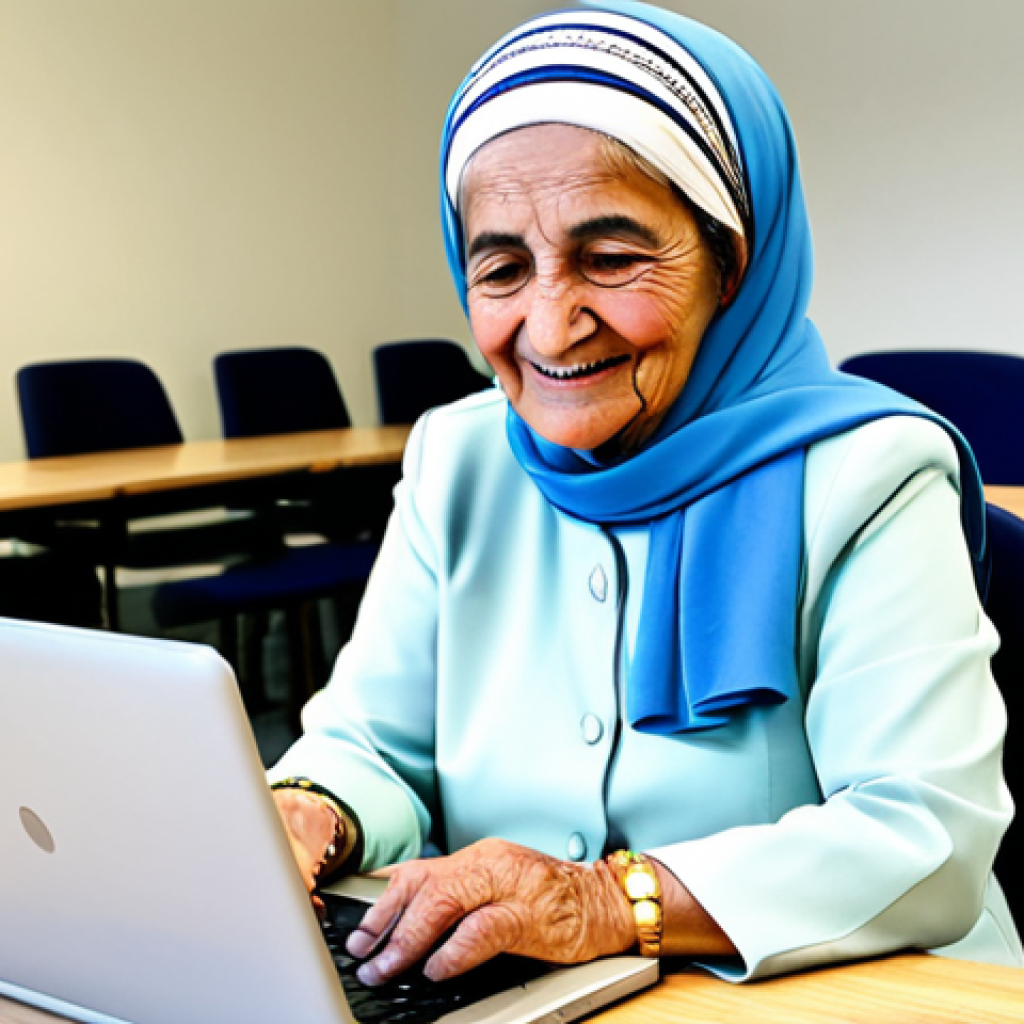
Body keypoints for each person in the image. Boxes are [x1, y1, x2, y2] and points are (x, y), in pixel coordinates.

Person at [269, 0, 1022, 987]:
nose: (548, 325)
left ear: (731, 260)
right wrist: (312, 806)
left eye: (612, 257)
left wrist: (604, 901)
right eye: (500, 267)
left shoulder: (867, 472)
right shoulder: (460, 457)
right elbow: (376, 742)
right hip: (523, 992)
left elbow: (923, 839)